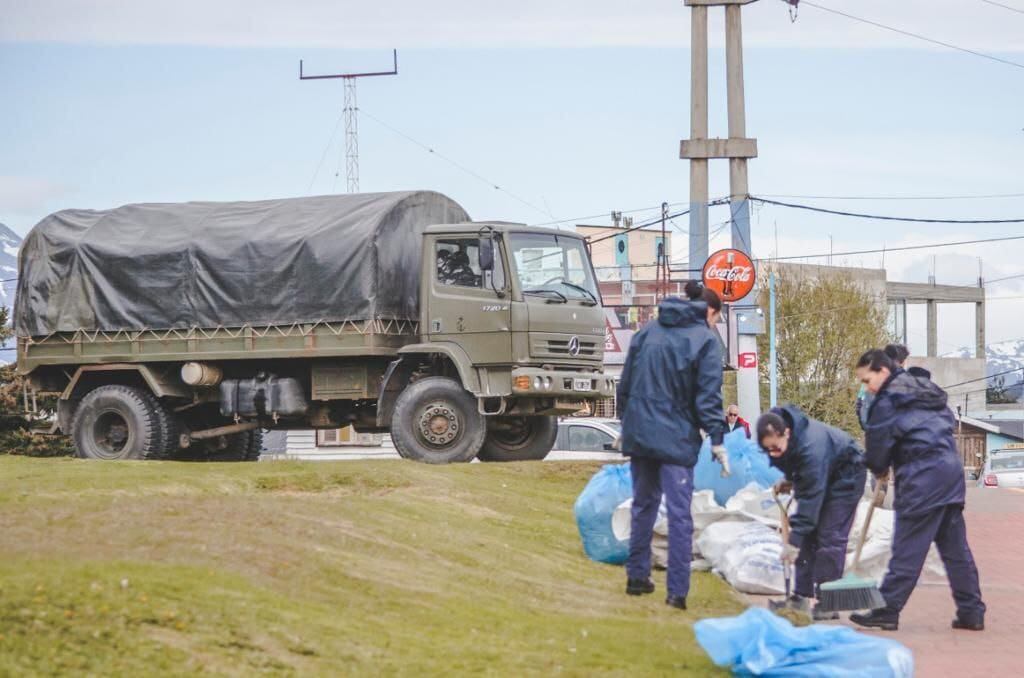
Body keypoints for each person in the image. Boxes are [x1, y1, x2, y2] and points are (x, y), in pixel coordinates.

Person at [849, 349, 985, 632]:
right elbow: (940, 425)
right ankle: (971, 611)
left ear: (883, 371)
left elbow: (877, 448)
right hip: (949, 474)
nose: (866, 387)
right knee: (955, 549)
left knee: (907, 547)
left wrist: (878, 465)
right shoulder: (926, 390)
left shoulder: (887, 399)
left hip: (921, 478)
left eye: (867, 379)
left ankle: (887, 609)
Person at [617, 281, 730, 610]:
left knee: (643, 505)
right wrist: (718, 439)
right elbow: (708, 397)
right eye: (717, 318)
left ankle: (637, 577)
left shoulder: (648, 331)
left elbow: (625, 384)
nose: (716, 324)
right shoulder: (706, 341)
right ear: (710, 311)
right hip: (677, 438)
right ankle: (677, 592)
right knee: (680, 516)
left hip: (640, 434)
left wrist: (626, 423)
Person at [756, 405, 867, 620]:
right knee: (807, 535)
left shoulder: (810, 447)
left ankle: (828, 602)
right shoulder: (785, 438)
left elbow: (809, 504)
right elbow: (795, 463)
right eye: (768, 449)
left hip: (847, 476)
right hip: (824, 471)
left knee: (829, 536)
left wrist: (792, 544)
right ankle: (800, 596)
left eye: (776, 448)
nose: (773, 453)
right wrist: (791, 478)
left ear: (786, 433)